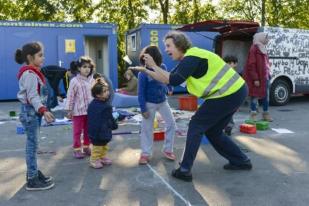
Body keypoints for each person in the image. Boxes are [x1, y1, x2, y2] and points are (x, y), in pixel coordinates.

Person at [130, 31, 252, 182]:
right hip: (234, 92)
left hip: (229, 93)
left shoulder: (192, 57)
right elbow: (166, 79)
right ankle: (241, 161)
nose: (166, 50)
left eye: (169, 46)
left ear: (180, 45)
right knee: (213, 132)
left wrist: (154, 65)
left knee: (196, 125)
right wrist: (146, 70)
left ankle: (185, 169)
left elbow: (172, 80)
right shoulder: (187, 60)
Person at [16, 42, 55, 190]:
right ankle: (32, 178)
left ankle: (32, 172)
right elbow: (33, 97)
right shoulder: (30, 75)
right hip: (31, 113)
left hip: (32, 113)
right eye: (40, 55)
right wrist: (44, 110)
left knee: (33, 145)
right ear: (30, 57)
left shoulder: (33, 72)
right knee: (32, 146)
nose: (43, 58)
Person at [137, 45, 176, 164]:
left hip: (163, 102)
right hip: (149, 104)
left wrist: (170, 87)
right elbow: (140, 93)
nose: (147, 61)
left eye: (150, 59)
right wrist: (143, 109)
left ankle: (168, 149)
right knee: (147, 129)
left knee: (171, 124)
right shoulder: (143, 73)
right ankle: (145, 153)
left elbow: (167, 78)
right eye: (146, 59)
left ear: (156, 59)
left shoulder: (162, 67)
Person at [65, 56, 94, 159]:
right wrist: (69, 110)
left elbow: (95, 95)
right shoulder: (74, 81)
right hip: (78, 112)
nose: (87, 69)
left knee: (88, 130)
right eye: (84, 67)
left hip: (89, 111)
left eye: (89, 67)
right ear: (79, 68)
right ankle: (77, 149)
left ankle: (86, 147)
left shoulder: (92, 80)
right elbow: (70, 96)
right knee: (77, 131)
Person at [87, 78, 118, 168]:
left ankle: (102, 157)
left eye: (107, 90)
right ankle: (94, 159)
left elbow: (109, 118)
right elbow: (106, 119)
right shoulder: (99, 106)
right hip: (97, 132)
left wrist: (111, 126)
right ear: (98, 95)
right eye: (104, 91)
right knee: (97, 147)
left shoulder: (103, 104)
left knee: (104, 145)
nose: (107, 92)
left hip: (104, 130)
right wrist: (113, 125)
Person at [243, 32, 273, 122]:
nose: (268, 40)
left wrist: (268, 71)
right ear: (261, 38)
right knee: (254, 96)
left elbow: (265, 63)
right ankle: (253, 114)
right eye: (266, 38)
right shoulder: (254, 48)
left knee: (266, 96)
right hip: (257, 78)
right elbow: (251, 65)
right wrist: (255, 78)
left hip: (265, 77)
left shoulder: (263, 48)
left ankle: (265, 114)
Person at [223, 55, 239, 136]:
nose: (228, 65)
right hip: (223, 97)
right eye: (226, 63)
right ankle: (223, 127)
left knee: (229, 114)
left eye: (230, 63)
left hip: (232, 98)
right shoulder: (222, 73)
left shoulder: (235, 75)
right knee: (223, 113)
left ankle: (228, 128)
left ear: (235, 64)